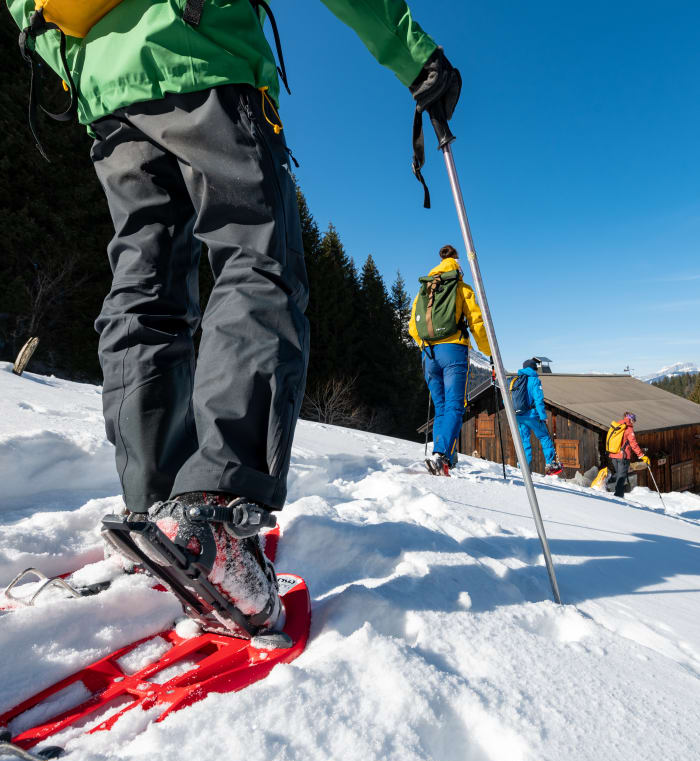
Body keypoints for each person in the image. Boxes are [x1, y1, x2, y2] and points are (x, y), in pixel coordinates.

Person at [6, 0, 460, 634]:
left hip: (105, 93)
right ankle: (212, 515)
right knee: (256, 259)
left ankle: (157, 512)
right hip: (202, 50)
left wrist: (78, 64)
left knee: (145, 287)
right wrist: (417, 57)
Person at [409, 245, 491, 476]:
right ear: (456, 264)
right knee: (455, 405)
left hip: (429, 355)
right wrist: (489, 352)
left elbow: (412, 327)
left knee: (442, 408)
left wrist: (426, 346)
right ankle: (442, 455)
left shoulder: (424, 291)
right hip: (453, 352)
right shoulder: (461, 287)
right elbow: (476, 323)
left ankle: (443, 456)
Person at [510, 359, 562, 476]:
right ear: (534, 368)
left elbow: (507, 399)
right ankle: (550, 464)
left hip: (518, 416)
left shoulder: (515, 380)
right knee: (544, 437)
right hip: (532, 415)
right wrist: (543, 416)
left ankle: (523, 466)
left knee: (524, 441)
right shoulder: (534, 380)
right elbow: (538, 400)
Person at [607, 411, 650, 498]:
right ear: (631, 419)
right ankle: (618, 497)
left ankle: (617, 493)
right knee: (621, 477)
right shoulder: (628, 429)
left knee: (619, 475)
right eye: (634, 420)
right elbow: (633, 444)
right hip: (623, 456)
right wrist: (642, 455)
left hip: (613, 455)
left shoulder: (617, 425)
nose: (634, 422)